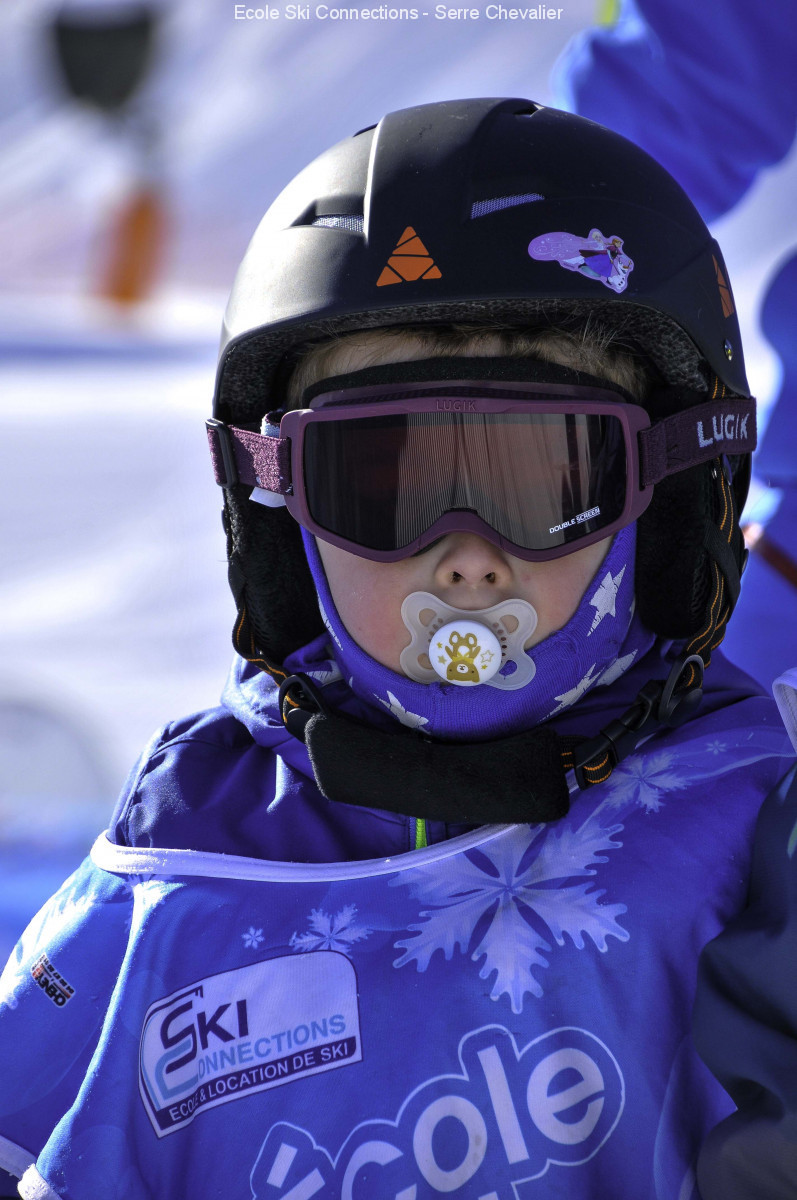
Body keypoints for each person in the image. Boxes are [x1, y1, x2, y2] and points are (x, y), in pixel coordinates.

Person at [0, 97, 793, 1200]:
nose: (463, 560)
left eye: (543, 485)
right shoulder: (185, 863)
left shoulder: (755, 832)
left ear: (668, 502)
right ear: (277, 516)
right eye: (381, 488)